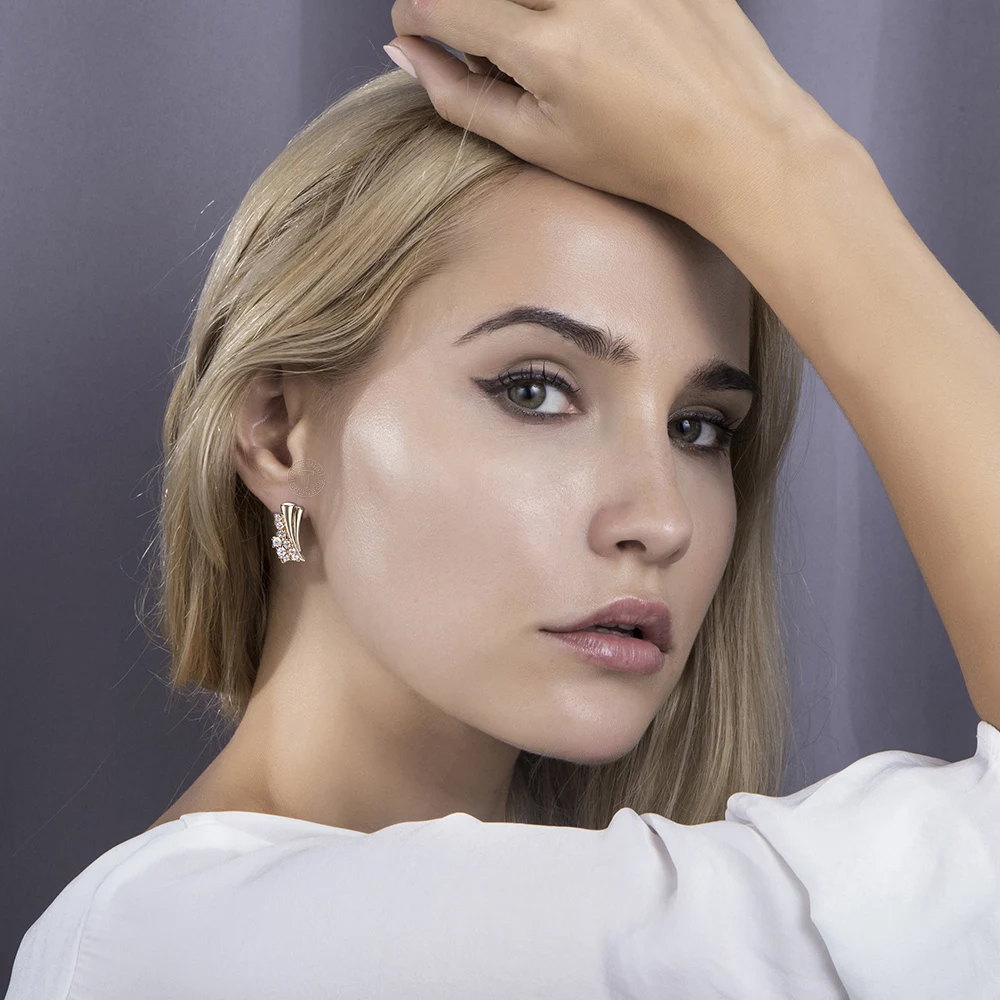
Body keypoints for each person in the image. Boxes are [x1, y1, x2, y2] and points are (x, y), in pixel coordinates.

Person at [7, 1, 1000, 997]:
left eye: (699, 427)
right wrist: (788, 169)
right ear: (277, 432)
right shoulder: (185, 938)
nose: (662, 519)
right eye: (534, 390)